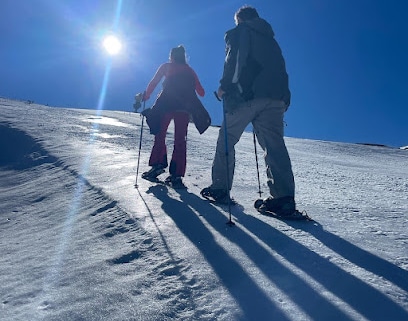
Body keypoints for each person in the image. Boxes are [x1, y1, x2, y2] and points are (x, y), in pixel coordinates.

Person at [201, 6, 298, 217]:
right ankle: (284, 199)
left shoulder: (240, 32)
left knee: (226, 139)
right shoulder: (271, 40)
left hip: (247, 96)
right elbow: (282, 70)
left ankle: (220, 187)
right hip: (276, 98)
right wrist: (284, 98)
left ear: (240, 19)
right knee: (274, 147)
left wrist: (225, 86)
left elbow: (234, 61)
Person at [140, 45, 211, 189]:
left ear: (171, 55)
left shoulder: (166, 66)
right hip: (183, 109)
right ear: (184, 56)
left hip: (166, 104)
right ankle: (176, 175)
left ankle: (157, 165)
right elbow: (202, 92)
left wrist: (146, 95)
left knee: (160, 134)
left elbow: (154, 82)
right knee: (180, 140)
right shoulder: (190, 71)